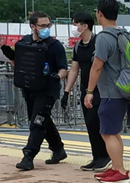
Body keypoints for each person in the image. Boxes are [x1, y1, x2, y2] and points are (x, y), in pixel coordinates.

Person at [84, 0, 130, 183]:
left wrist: (89, 91)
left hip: (111, 92)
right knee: (114, 131)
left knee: (107, 133)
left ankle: (120, 171)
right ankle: (117, 167)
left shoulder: (104, 37)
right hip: (123, 89)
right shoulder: (124, 34)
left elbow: (97, 66)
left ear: (99, 14)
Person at [15, 12, 69, 171]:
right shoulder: (24, 43)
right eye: (42, 25)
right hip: (29, 89)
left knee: (37, 122)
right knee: (42, 119)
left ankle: (28, 156)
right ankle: (58, 149)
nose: (46, 28)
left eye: (48, 25)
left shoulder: (55, 45)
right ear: (33, 26)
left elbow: (63, 68)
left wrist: (57, 77)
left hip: (48, 90)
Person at [62, 12, 111, 172]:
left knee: (95, 122)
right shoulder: (78, 46)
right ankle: (97, 157)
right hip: (85, 90)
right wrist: (67, 91)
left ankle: (106, 156)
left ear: (84, 26)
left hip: (100, 89)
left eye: (75, 24)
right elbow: (74, 70)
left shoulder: (98, 42)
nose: (73, 27)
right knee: (89, 125)